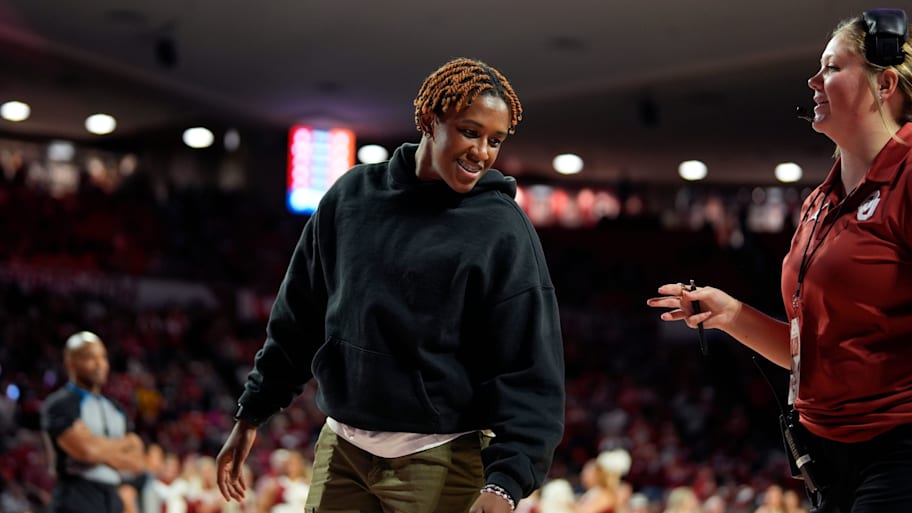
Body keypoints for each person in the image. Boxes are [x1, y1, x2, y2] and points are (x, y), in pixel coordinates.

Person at [216, 57, 566, 513]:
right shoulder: (350, 196)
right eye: (470, 132)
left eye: (494, 140)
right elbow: (298, 318)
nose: (482, 152)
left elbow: (530, 365)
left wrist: (506, 481)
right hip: (342, 450)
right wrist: (251, 413)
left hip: (441, 459)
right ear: (430, 119)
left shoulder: (502, 229)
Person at [648, 7, 912, 513]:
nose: (814, 81)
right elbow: (806, 354)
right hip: (825, 455)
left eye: (832, 68)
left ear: (885, 84)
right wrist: (731, 315)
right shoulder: (817, 203)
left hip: (898, 451)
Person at [40, 330, 146, 513]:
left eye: (103, 357)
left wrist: (95, 444)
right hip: (76, 497)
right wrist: (122, 446)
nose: (100, 364)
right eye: (90, 357)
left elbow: (137, 462)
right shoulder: (59, 404)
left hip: (112, 498)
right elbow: (86, 451)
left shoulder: (116, 408)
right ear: (70, 363)